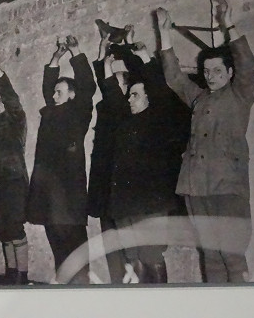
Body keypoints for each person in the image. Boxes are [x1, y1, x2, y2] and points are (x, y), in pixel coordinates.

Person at [157, 0, 254, 283]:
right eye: (206, 72)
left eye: (217, 71)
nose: (210, 76)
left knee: (232, 257)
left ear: (229, 73)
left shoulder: (239, 95)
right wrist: (164, 33)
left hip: (227, 188)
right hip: (195, 188)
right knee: (210, 256)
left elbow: (247, 64)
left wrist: (228, 24)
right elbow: (175, 78)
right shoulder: (199, 98)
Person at [106, 42, 191, 284]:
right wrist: (107, 64)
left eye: (135, 95)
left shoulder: (158, 119)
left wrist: (144, 56)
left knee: (151, 256)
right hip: (125, 204)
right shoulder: (124, 121)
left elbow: (159, 88)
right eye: (129, 94)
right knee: (132, 259)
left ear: (149, 98)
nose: (129, 99)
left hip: (150, 204)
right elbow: (112, 94)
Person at [27, 35, 96, 284]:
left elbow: (87, 86)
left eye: (59, 92)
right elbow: (49, 87)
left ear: (72, 95)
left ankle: (82, 291)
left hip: (68, 196)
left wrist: (76, 52)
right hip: (48, 195)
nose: (54, 96)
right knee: (58, 249)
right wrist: (56, 58)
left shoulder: (78, 114)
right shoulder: (51, 114)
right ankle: (64, 291)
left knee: (75, 250)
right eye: (54, 92)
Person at [0, 45, 30, 285]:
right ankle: (12, 274)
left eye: (0, 97)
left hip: (13, 183)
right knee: (4, 231)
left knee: (15, 229)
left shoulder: (16, 119)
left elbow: (10, 95)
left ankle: (22, 275)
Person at [87, 24, 131, 284]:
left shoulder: (127, 110)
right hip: (106, 191)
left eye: (117, 81)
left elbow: (108, 85)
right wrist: (103, 48)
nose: (111, 83)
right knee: (111, 248)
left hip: (122, 192)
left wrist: (109, 55)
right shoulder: (108, 108)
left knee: (129, 250)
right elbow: (104, 85)